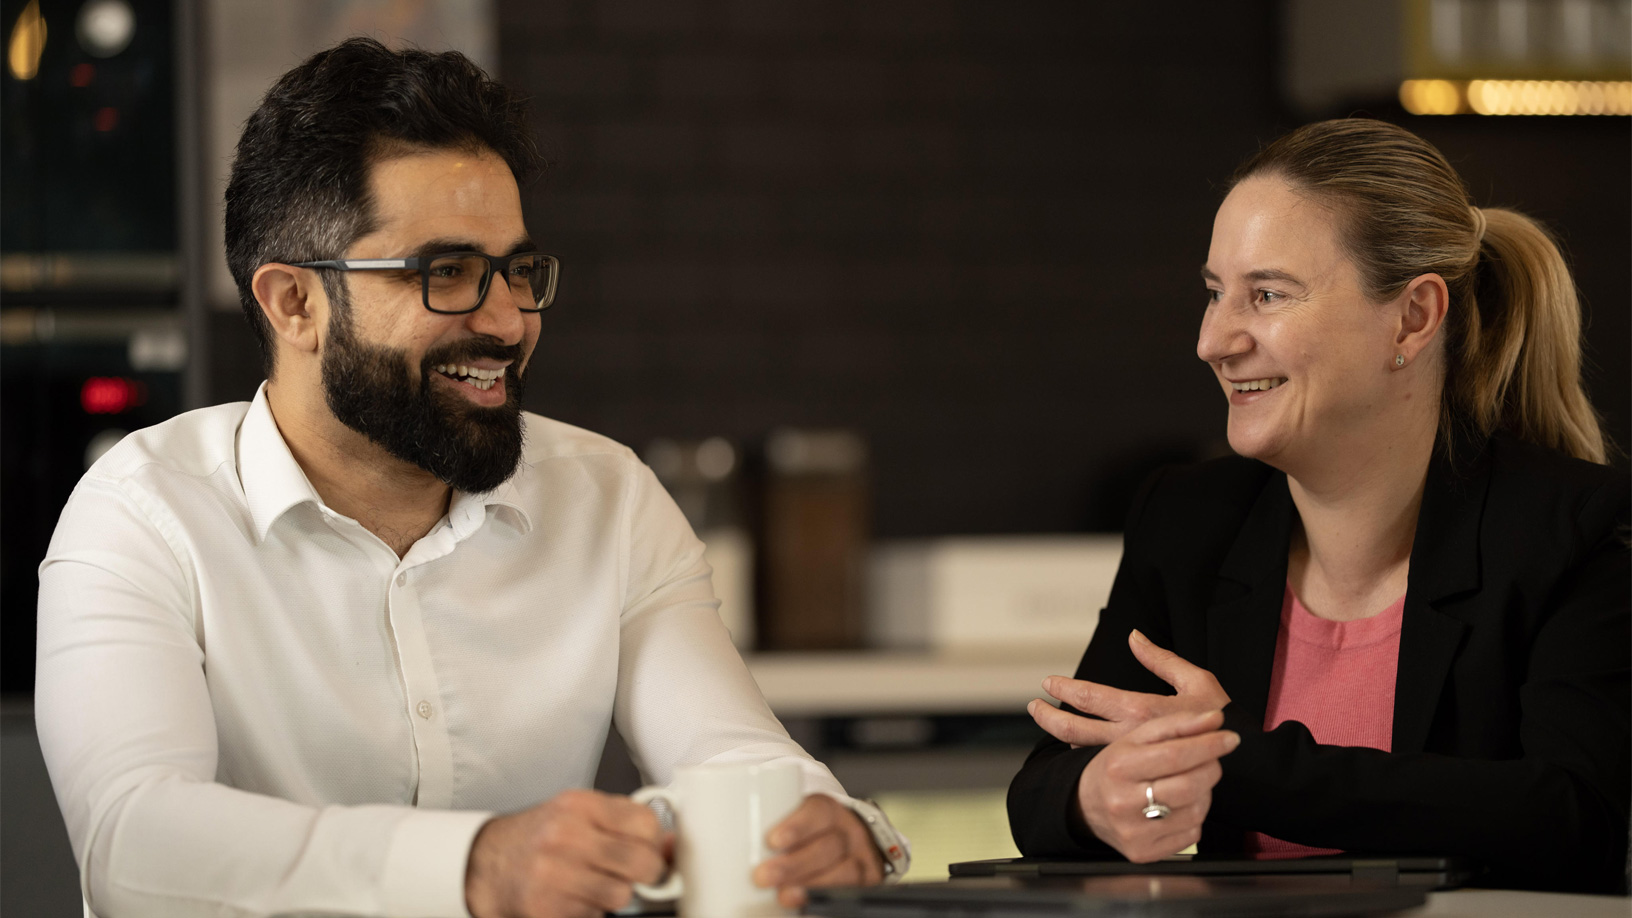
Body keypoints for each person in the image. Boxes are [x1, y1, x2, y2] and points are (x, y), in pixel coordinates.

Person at [36, 38, 906, 918]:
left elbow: (731, 753)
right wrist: (475, 867)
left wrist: (831, 823)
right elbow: (133, 842)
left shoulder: (607, 497)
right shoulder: (141, 517)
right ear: (293, 303)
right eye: (444, 272)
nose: (507, 321)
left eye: (518, 271)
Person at [1007, 118, 1629, 894]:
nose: (1213, 341)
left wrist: (1234, 762)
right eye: (1214, 293)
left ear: (1412, 317)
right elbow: (1045, 788)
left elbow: (1576, 819)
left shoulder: (1578, 531)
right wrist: (1098, 801)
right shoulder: (1190, 519)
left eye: (1266, 295)